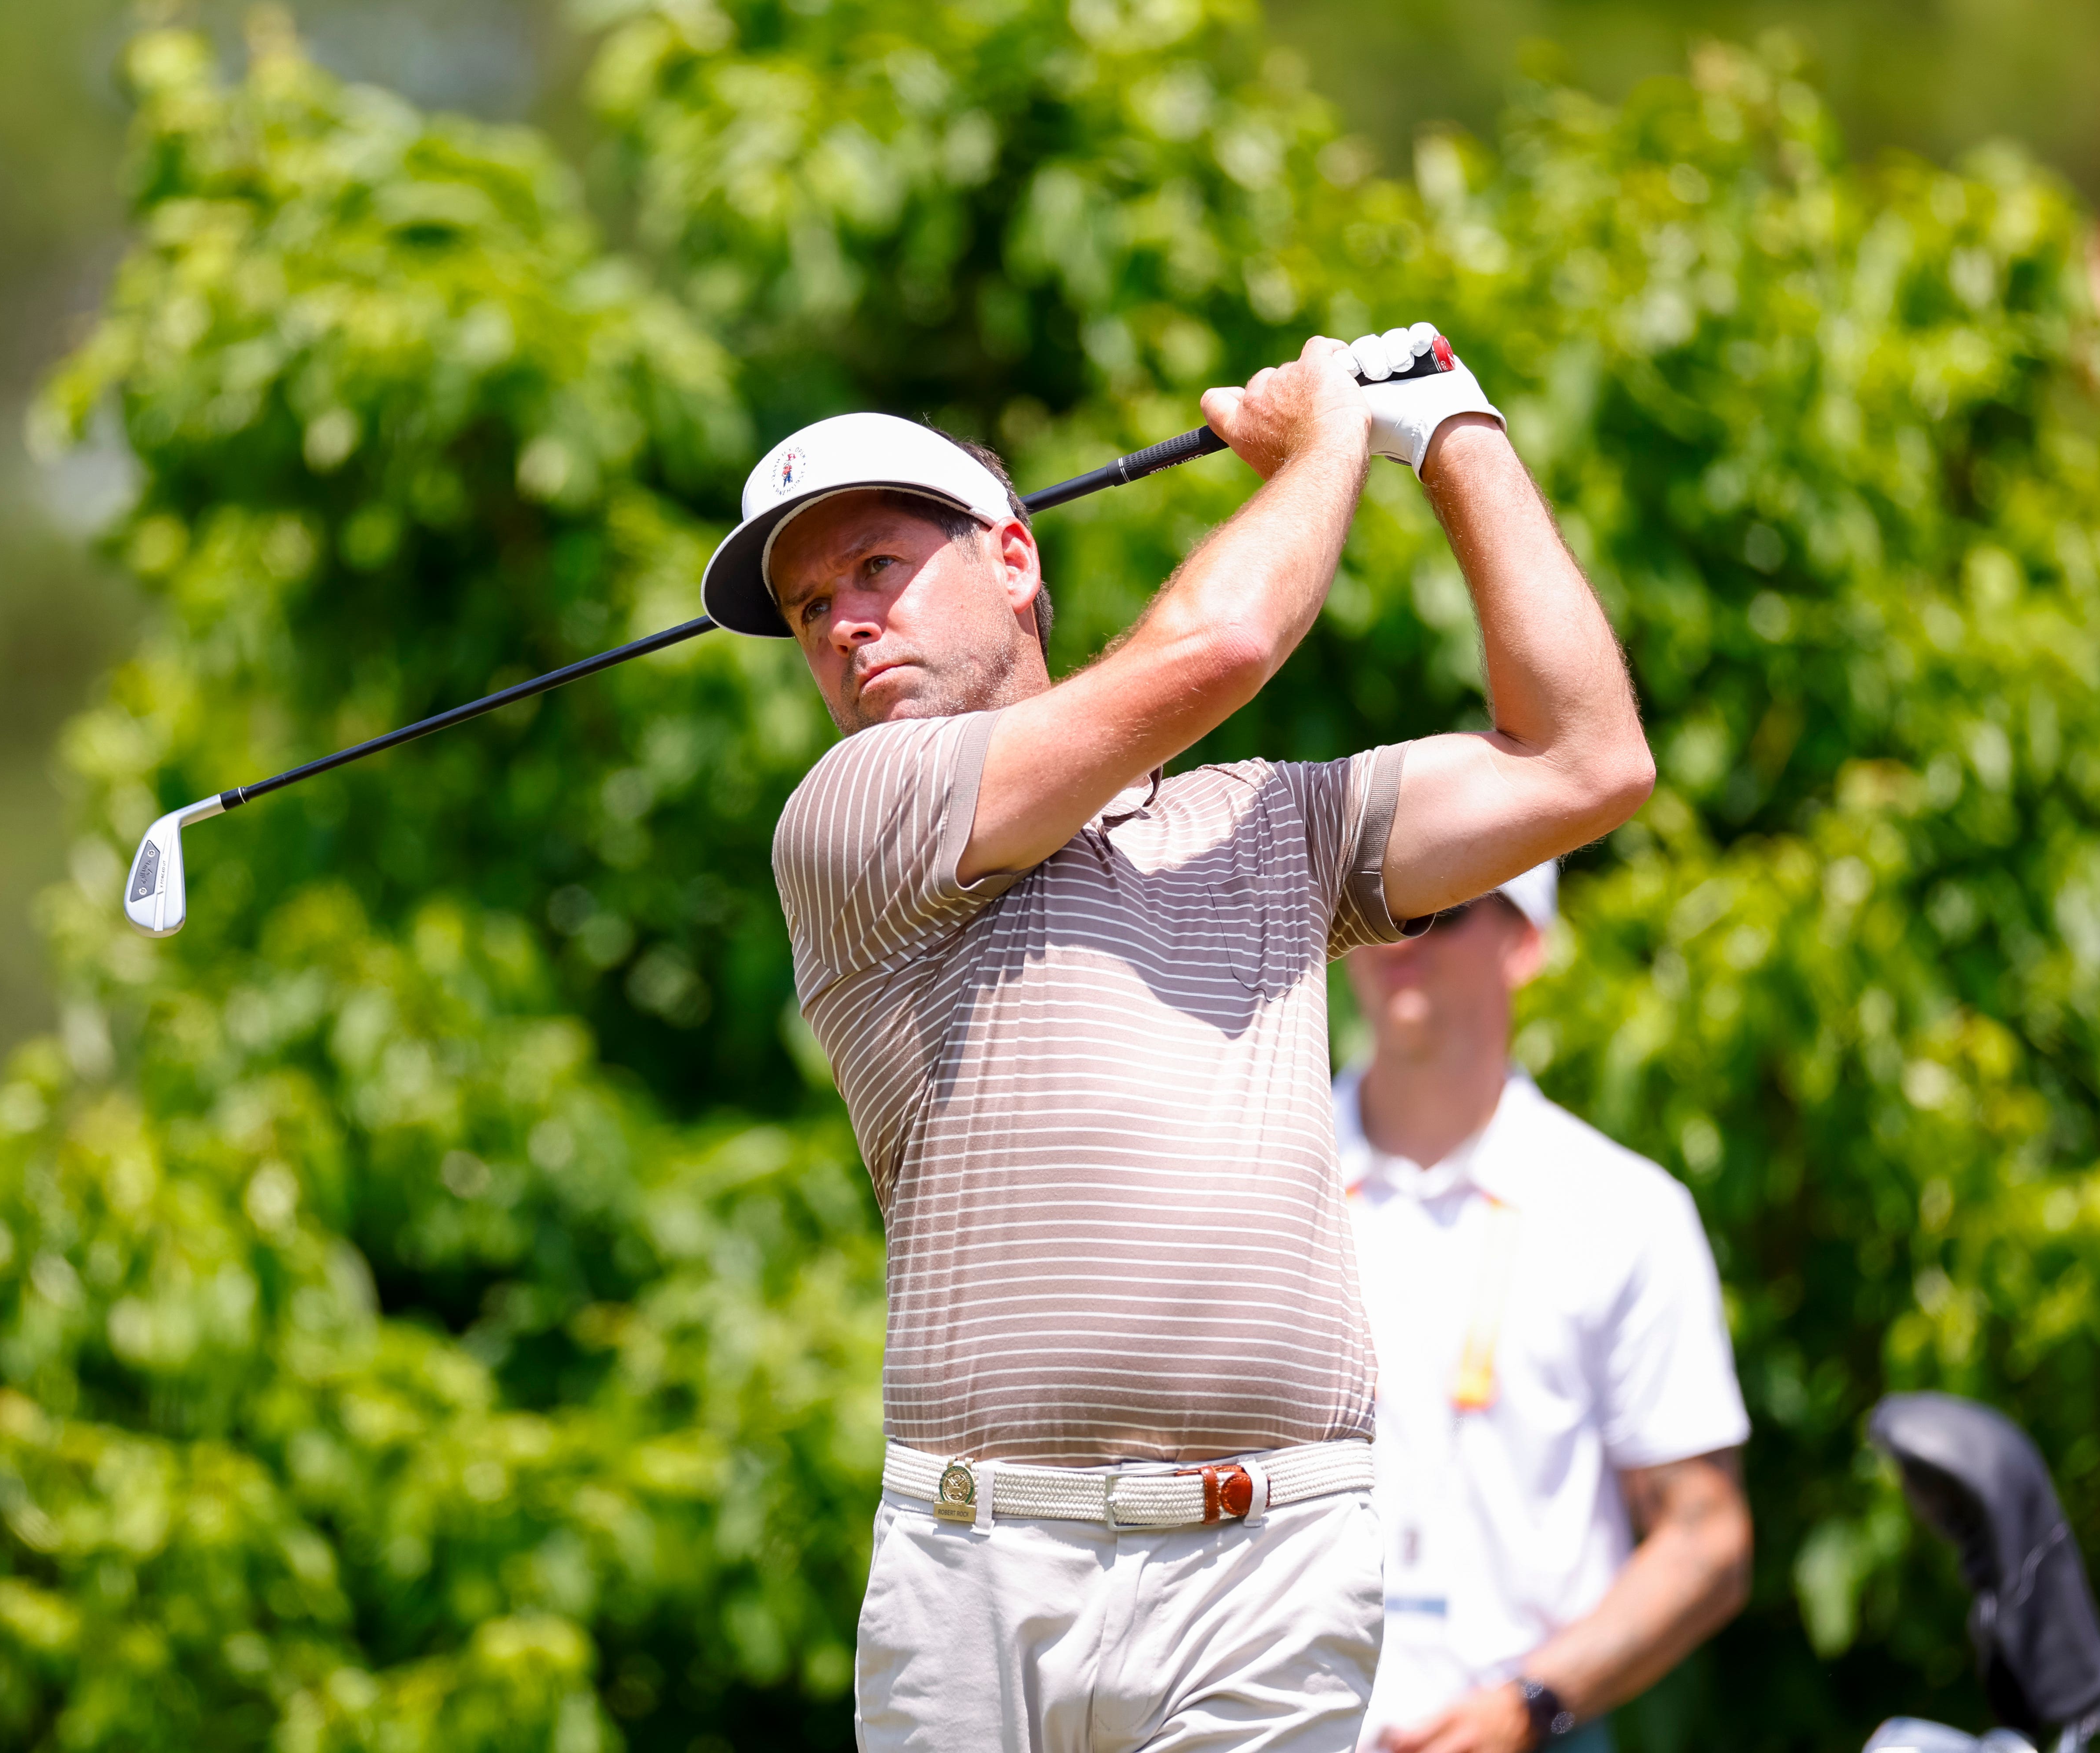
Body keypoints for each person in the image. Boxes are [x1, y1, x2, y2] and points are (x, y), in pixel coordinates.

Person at [696, 330, 1658, 1751]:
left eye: (876, 569)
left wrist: (1452, 429)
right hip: (980, 1571)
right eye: (808, 606)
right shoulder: (852, 819)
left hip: (1269, 1568)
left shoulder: (1268, 827)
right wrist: (1329, 437)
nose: (841, 623)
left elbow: (1587, 763)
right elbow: (1219, 645)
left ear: (1013, 559)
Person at [1337, 862, 1753, 1753]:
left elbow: (1706, 1534)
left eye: (1439, 907)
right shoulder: (1256, 1182)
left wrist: (1529, 1703)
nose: (1401, 936)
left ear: (1525, 941)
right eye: (1377, 907)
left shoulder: (1624, 1208)